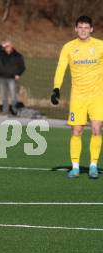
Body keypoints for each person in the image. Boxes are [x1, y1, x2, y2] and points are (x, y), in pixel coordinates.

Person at [51, 15, 103, 179]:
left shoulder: (100, 46)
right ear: (75, 29)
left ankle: (93, 166)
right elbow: (61, 68)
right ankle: (75, 167)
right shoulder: (68, 47)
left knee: (96, 129)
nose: (83, 30)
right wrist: (56, 88)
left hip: (97, 96)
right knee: (77, 130)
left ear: (91, 29)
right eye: (80, 27)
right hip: (78, 97)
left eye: (86, 27)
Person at [0, 40, 25, 115]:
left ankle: (15, 110)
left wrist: (18, 74)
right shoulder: (1, 54)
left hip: (12, 78)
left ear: (12, 46)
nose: (7, 48)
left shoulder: (17, 55)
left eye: (8, 46)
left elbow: (22, 67)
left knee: (13, 95)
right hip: (2, 77)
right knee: (4, 95)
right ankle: (5, 110)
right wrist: (1, 45)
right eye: (6, 47)